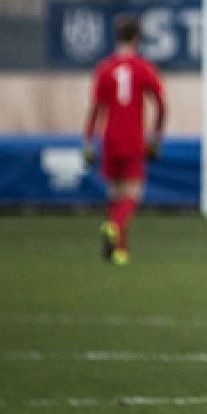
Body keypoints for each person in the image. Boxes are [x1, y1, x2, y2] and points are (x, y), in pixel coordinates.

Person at [84, 15, 165, 266]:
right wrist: (156, 134)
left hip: (110, 137)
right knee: (133, 194)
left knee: (115, 194)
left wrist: (88, 140)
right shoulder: (143, 68)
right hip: (132, 138)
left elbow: (96, 108)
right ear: (138, 38)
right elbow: (161, 104)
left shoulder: (105, 69)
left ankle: (120, 252)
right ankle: (114, 226)